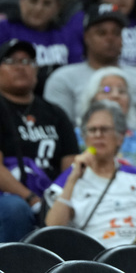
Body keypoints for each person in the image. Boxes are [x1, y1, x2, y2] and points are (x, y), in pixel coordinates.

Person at [43, 3, 136, 140]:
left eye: (116, 33)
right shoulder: (63, 78)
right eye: (102, 33)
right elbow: (58, 130)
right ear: (86, 37)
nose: (110, 38)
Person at [44, 100, 136, 248]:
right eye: (92, 130)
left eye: (104, 129)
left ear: (120, 137)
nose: (98, 135)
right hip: (95, 258)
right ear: (84, 137)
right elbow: (53, 228)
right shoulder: (72, 175)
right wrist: (73, 179)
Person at [0, 39, 79, 241]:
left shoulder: (55, 113)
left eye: (28, 62)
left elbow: (71, 165)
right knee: (14, 209)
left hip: (52, 194)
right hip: (10, 195)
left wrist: (60, 198)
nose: (21, 67)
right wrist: (30, 198)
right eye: (12, 61)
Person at [75, 66, 136, 187]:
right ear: (92, 99)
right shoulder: (78, 136)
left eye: (122, 91)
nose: (116, 96)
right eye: (106, 90)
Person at [0, 0, 84, 95]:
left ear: (58, 6)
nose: (39, 8)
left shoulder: (66, 35)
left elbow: (76, 75)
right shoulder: (4, 29)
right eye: (33, 0)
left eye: (47, 3)